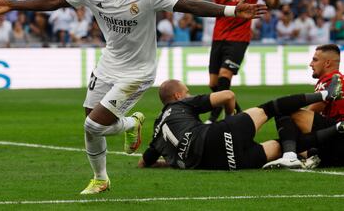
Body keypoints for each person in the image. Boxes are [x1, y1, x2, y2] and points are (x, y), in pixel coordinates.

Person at [0, 0, 266, 194]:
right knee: (89, 121)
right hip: (109, 63)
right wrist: (14, 4)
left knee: (93, 126)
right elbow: (56, 0)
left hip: (139, 70)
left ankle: (130, 122)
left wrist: (231, 10)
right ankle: (101, 177)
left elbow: (188, 5)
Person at [175, 0, 280, 123]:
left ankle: (214, 117)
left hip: (239, 38)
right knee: (214, 84)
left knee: (224, 77)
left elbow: (271, 3)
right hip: (219, 36)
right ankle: (239, 116)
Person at [138, 78, 344, 170]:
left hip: (221, 163)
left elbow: (144, 163)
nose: (189, 94)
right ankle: (328, 94)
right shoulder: (182, 104)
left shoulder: (157, 132)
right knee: (271, 108)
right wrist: (231, 118)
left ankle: (324, 141)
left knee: (284, 145)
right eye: (187, 91)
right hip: (217, 135)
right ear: (178, 95)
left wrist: (170, 162)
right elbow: (228, 95)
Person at [264, 44, 344, 168]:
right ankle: (294, 154)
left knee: (284, 110)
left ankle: (289, 157)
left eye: (315, 60)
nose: (311, 64)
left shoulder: (332, 81)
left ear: (327, 63)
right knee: (289, 143)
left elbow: (307, 114)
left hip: (338, 138)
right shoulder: (336, 79)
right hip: (334, 144)